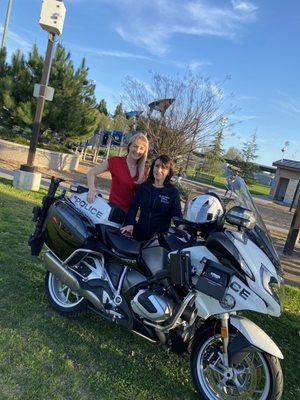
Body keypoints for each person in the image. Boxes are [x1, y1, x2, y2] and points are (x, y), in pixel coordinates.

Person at [121, 155, 183, 241]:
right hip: (139, 235)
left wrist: (181, 226)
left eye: (164, 168)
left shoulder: (173, 192)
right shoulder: (144, 187)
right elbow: (133, 208)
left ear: (169, 172)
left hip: (159, 240)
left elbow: (177, 214)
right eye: (157, 166)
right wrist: (130, 224)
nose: (159, 170)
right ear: (153, 167)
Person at [86, 133, 149, 212]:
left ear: (144, 152)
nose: (137, 151)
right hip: (112, 212)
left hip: (129, 218)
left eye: (141, 148)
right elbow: (91, 173)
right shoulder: (115, 161)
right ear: (129, 146)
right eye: (135, 146)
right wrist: (92, 189)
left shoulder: (145, 172)